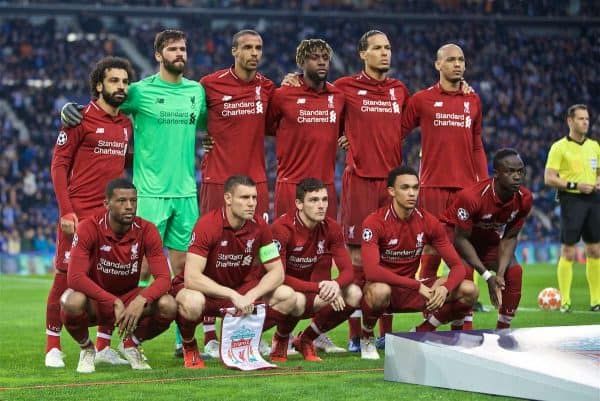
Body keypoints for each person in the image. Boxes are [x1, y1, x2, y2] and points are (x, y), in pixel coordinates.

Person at [61, 29, 208, 354]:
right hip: (150, 192)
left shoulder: (196, 92)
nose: (179, 54)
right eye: (172, 49)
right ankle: (121, 337)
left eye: (183, 48)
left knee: (184, 269)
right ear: (158, 55)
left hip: (185, 192)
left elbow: (211, 125)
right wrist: (68, 110)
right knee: (139, 267)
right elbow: (102, 105)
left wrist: (211, 139)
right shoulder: (139, 91)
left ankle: (180, 338)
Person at [46, 56, 135, 368]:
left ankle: (103, 346)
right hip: (79, 214)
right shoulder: (78, 118)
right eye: (114, 81)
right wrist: (66, 211)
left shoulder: (126, 124)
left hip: (109, 217)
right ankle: (52, 346)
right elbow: (58, 167)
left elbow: (125, 166)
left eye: (125, 81)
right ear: (99, 85)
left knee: (109, 278)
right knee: (64, 277)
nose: (121, 86)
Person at [198, 29, 276, 355]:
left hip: (255, 182)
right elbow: (195, 121)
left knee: (255, 258)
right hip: (217, 180)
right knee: (209, 257)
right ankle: (206, 335)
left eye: (258, 47)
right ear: (234, 51)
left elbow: (281, 123)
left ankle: (246, 328)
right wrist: (204, 139)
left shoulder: (268, 87)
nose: (254, 53)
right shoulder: (209, 84)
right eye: (247, 47)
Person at [402, 43, 487, 329]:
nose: (457, 64)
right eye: (451, 60)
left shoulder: (473, 101)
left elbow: (477, 145)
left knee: (465, 253)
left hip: (465, 190)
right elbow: (396, 131)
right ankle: (430, 313)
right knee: (430, 252)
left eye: (461, 59)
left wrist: (484, 185)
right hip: (432, 187)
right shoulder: (422, 100)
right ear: (438, 65)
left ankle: (464, 321)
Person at [334, 30, 410, 351]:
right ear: (362, 54)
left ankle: (385, 334)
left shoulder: (399, 90)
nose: (385, 53)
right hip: (360, 181)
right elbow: (324, 115)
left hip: (391, 184)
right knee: (355, 259)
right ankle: (354, 335)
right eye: (377, 48)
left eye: (388, 47)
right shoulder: (344, 88)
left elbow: (407, 126)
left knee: (390, 256)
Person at [171, 175, 296, 369]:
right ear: (228, 199)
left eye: (254, 198)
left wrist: (251, 294)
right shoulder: (207, 225)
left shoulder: (260, 226)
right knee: (192, 302)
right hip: (207, 292)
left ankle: (242, 338)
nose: (252, 203)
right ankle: (189, 345)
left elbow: (277, 272)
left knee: (288, 297)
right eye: (244, 198)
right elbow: (192, 278)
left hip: (240, 288)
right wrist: (233, 295)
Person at [360, 165, 477, 360]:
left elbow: (457, 267)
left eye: (415, 188)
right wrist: (416, 285)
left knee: (469, 290)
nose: (412, 193)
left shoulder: (429, 221)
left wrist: (445, 288)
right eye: (405, 188)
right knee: (380, 291)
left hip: (413, 291)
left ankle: (422, 330)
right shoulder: (375, 222)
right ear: (391, 191)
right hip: (384, 290)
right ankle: (366, 336)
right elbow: (371, 271)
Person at [60, 178, 176, 373]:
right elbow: (75, 278)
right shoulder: (89, 227)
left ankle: (131, 344)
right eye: (122, 201)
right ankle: (87, 348)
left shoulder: (147, 230)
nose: (129, 207)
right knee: (70, 301)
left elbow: (164, 278)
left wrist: (141, 299)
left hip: (129, 297)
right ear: (107, 204)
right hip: (96, 300)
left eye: (133, 201)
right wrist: (112, 301)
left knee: (169, 305)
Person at [268, 178, 362, 362]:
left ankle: (306, 339)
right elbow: (278, 277)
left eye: (324, 200)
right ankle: (279, 338)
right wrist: (319, 287)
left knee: (354, 293)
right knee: (295, 299)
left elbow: (348, 271)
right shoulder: (282, 228)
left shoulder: (331, 227)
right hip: (274, 291)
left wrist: (335, 285)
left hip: (305, 290)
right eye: (313, 200)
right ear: (299, 204)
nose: (321, 206)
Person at [442, 148, 532, 328]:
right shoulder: (472, 197)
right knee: (465, 272)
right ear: (496, 174)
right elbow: (460, 239)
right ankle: (460, 328)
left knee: (514, 272)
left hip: (487, 239)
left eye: (520, 171)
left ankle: (503, 329)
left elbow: (510, 237)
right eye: (510, 171)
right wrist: (487, 276)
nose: (517, 176)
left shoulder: (524, 198)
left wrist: (499, 274)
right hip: (457, 238)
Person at [266, 38, 345, 220]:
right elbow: (265, 127)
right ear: (301, 62)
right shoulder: (283, 95)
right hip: (291, 186)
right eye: (314, 57)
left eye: (325, 57)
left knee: (325, 246)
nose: (321, 61)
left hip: (325, 187)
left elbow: (347, 129)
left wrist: (347, 137)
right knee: (286, 245)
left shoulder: (339, 96)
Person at [544, 104, 600, 312]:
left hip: (593, 200)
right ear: (570, 121)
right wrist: (575, 185)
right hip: (572, 200)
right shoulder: (559, 147)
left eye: (587, 118)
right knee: (568, 251)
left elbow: (599, 172)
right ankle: (565, 302)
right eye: (581, 119)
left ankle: (596, 301)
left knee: (595, 250)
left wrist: (598, 181)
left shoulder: (594, 146)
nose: (585, 122)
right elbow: (549, 178)